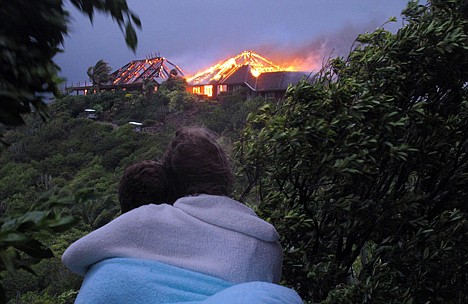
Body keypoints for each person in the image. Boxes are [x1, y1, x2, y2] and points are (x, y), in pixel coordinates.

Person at [62, 126, 301, 303]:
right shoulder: (268, 246)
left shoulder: (149, 218)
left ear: (171, 180)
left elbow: (74, 256)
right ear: (226, 177)